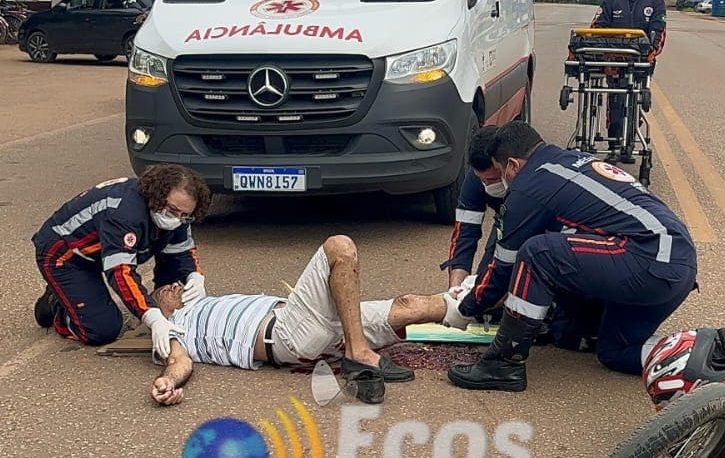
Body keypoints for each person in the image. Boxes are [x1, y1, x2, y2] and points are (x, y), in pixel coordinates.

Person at [445, 121, 697, 392]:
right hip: (676, 263)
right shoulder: (568, 161)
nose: (501, 182)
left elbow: (504, 265)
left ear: (513, 165)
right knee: (613, 351)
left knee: (537, 253)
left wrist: (466, 308)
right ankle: (702, 356)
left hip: (649, 257)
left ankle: (504, 363)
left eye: (501, 172)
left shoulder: (529, 186)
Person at [144, 236, 443, 406]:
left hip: (324, 325)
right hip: (288, 332)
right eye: (164, 291)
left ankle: (467, 303)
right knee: (339, 247)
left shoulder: (204, 301)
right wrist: (168, 382)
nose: (174, 286)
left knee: (409, 305)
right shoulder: (173, 327)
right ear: (161, 311)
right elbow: (179, 361)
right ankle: (359, 354)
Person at [32, 165, 212, 355]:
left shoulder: (178, 214)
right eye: (173, 211)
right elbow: (120, 272)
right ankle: (58, 305)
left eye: (185, 216)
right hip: (66, 254)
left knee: (178, 279)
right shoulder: (124, 213)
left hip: (100, 248)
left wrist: (194, 276)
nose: (177, 219)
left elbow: (182, 252)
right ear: (157, 196)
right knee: (101, 330)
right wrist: (152, 317)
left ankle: (157, 313)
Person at [588, 0, 667, 164]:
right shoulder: (612, 0)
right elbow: (597, 27)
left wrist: (651, 52)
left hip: (641, 62)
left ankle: (628, 143)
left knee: (634, 103)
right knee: (616, 102)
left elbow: (659, 31)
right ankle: (614, 145)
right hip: (615, 61)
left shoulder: (655, 2)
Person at [442, 125, 506, 289]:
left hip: (541, 225)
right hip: (504, 219)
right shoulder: (475, 178)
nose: (486, 185)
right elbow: (464, 234)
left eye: (492, 180)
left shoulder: (530, 180)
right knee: (484, 282)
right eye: (482, 179)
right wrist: (455, 288)